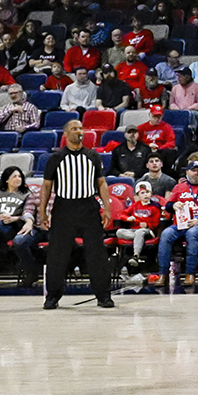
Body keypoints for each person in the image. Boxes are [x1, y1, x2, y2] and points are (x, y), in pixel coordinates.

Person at [32, 119, 114, 309]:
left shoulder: (92, 156)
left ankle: (103, 295)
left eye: (80, 128)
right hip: (64, 208)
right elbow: (46, 186)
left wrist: (107, 208)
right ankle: (52, 296)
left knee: (96, 253)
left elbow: (101, 183)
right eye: (74, 128)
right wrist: (42, 212)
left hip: (88, 206)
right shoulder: (56, 158)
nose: (79, 131)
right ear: (66, 134)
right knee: (58, 254)